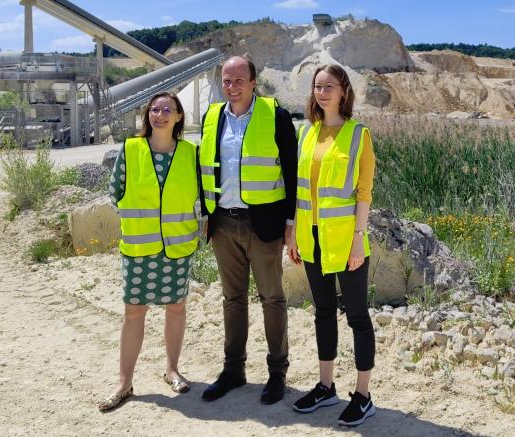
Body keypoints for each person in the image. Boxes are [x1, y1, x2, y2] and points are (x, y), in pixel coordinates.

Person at [197, 56, 298, 405]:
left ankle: (277, 373)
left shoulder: (276, 116)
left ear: (254, 82)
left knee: (272, 298)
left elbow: (292, 172)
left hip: (264, 224)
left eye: (239, 79)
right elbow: (204, 168)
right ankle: (233, 371)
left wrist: (291, 223)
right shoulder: (211, 118)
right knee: (232, 299)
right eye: (227, 80)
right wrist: (206, 214)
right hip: (223, 222)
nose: (232, 86)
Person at [96, 92, 200, 412]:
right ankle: (124, 382)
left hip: (177, 247)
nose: (160, 114)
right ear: (147, 116)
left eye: (168, 109)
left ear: (179, 116)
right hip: (140, 248)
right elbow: (115, 194)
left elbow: (201, 196)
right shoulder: (130, 150)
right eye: (154, 109)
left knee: (177, 308)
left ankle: (172, 370)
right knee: (133, 313)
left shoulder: (190, 153)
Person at [286, 64, 378, 427]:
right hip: (311, 239)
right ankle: (326, 387)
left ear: (343, 91)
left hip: (346, 242)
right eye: (317, 86)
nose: (322, 92)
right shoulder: (307, 133)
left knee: (357, 316)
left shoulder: (359, 134)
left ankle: (363, 395)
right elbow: (300, 191)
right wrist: (293, 234)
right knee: (322, 312)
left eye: (330, 86)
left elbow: (364, 193)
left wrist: (358, 240)